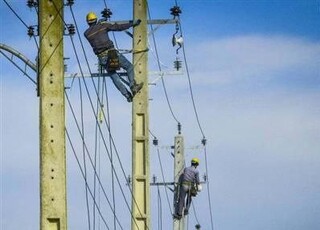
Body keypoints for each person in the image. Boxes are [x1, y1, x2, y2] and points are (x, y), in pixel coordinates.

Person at [84, 12, 143, 102]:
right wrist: (132, 24)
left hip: (101, 57)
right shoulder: (103, 26)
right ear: (96, 19)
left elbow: (95, 31)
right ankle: (133, 86)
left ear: (87, 22)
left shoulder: (86, 34)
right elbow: (118, 27)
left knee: (114, 76)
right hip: (111, 54)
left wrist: (99, 24)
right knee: (129, 67)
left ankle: (127, 95)